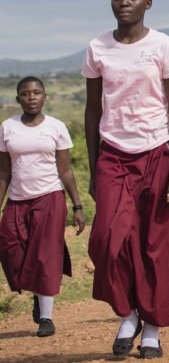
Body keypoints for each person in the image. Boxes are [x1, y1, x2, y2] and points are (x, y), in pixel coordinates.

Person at [82, 0, 169, 359]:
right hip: (113, 155)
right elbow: (93, 110)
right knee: (106, 242)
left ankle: (151, 330)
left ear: (148, 2)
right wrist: (94, 168)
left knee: (156, 246)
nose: (123, 2)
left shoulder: (163, 45)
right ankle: (127, 313)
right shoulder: (97, 48)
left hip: (158, 153)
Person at [0, 77, 85, 338]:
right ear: (18, 99)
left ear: (45, 97)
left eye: (37, 92)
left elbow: (66, 170)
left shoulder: (56, 127)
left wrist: (77, 206)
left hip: (49, 198)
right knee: (10, 247)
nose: (31, 97)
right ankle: (38, 295)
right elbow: (4, 171)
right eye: (25, 94)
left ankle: (46, 316)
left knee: (45, 255)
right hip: (17, 199)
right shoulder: (7, 128)